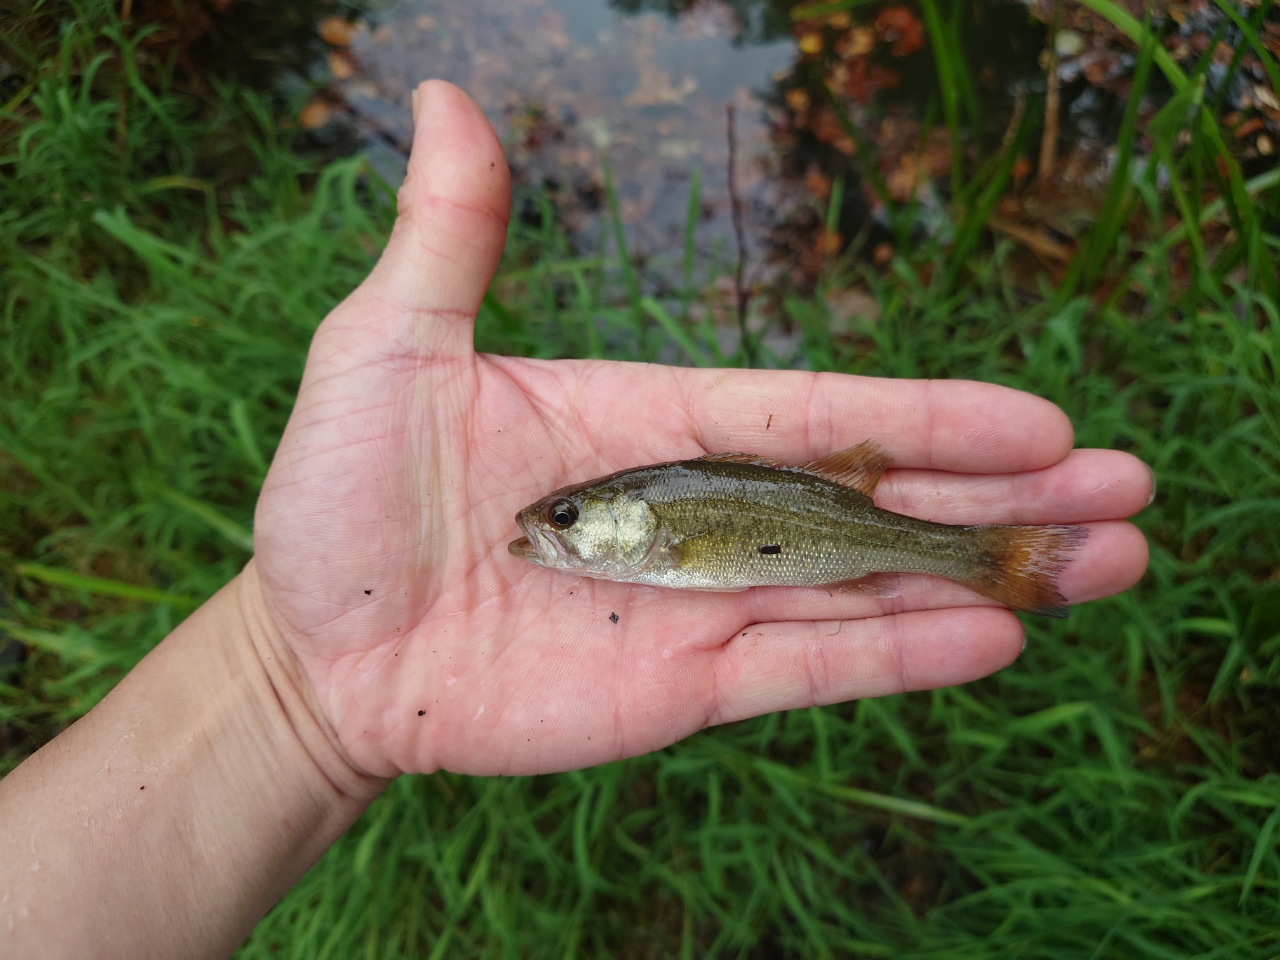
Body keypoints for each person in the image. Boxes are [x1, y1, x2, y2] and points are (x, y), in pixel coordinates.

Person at [0, 81, 1151, 959]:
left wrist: (288, 698)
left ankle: (986, 562)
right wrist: (289, 686)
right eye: (565, 515)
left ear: (622, 523)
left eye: (566, 516)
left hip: (824, 527)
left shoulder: (667, 526)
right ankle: (985, 564)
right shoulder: (647, 531)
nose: (547, 527)